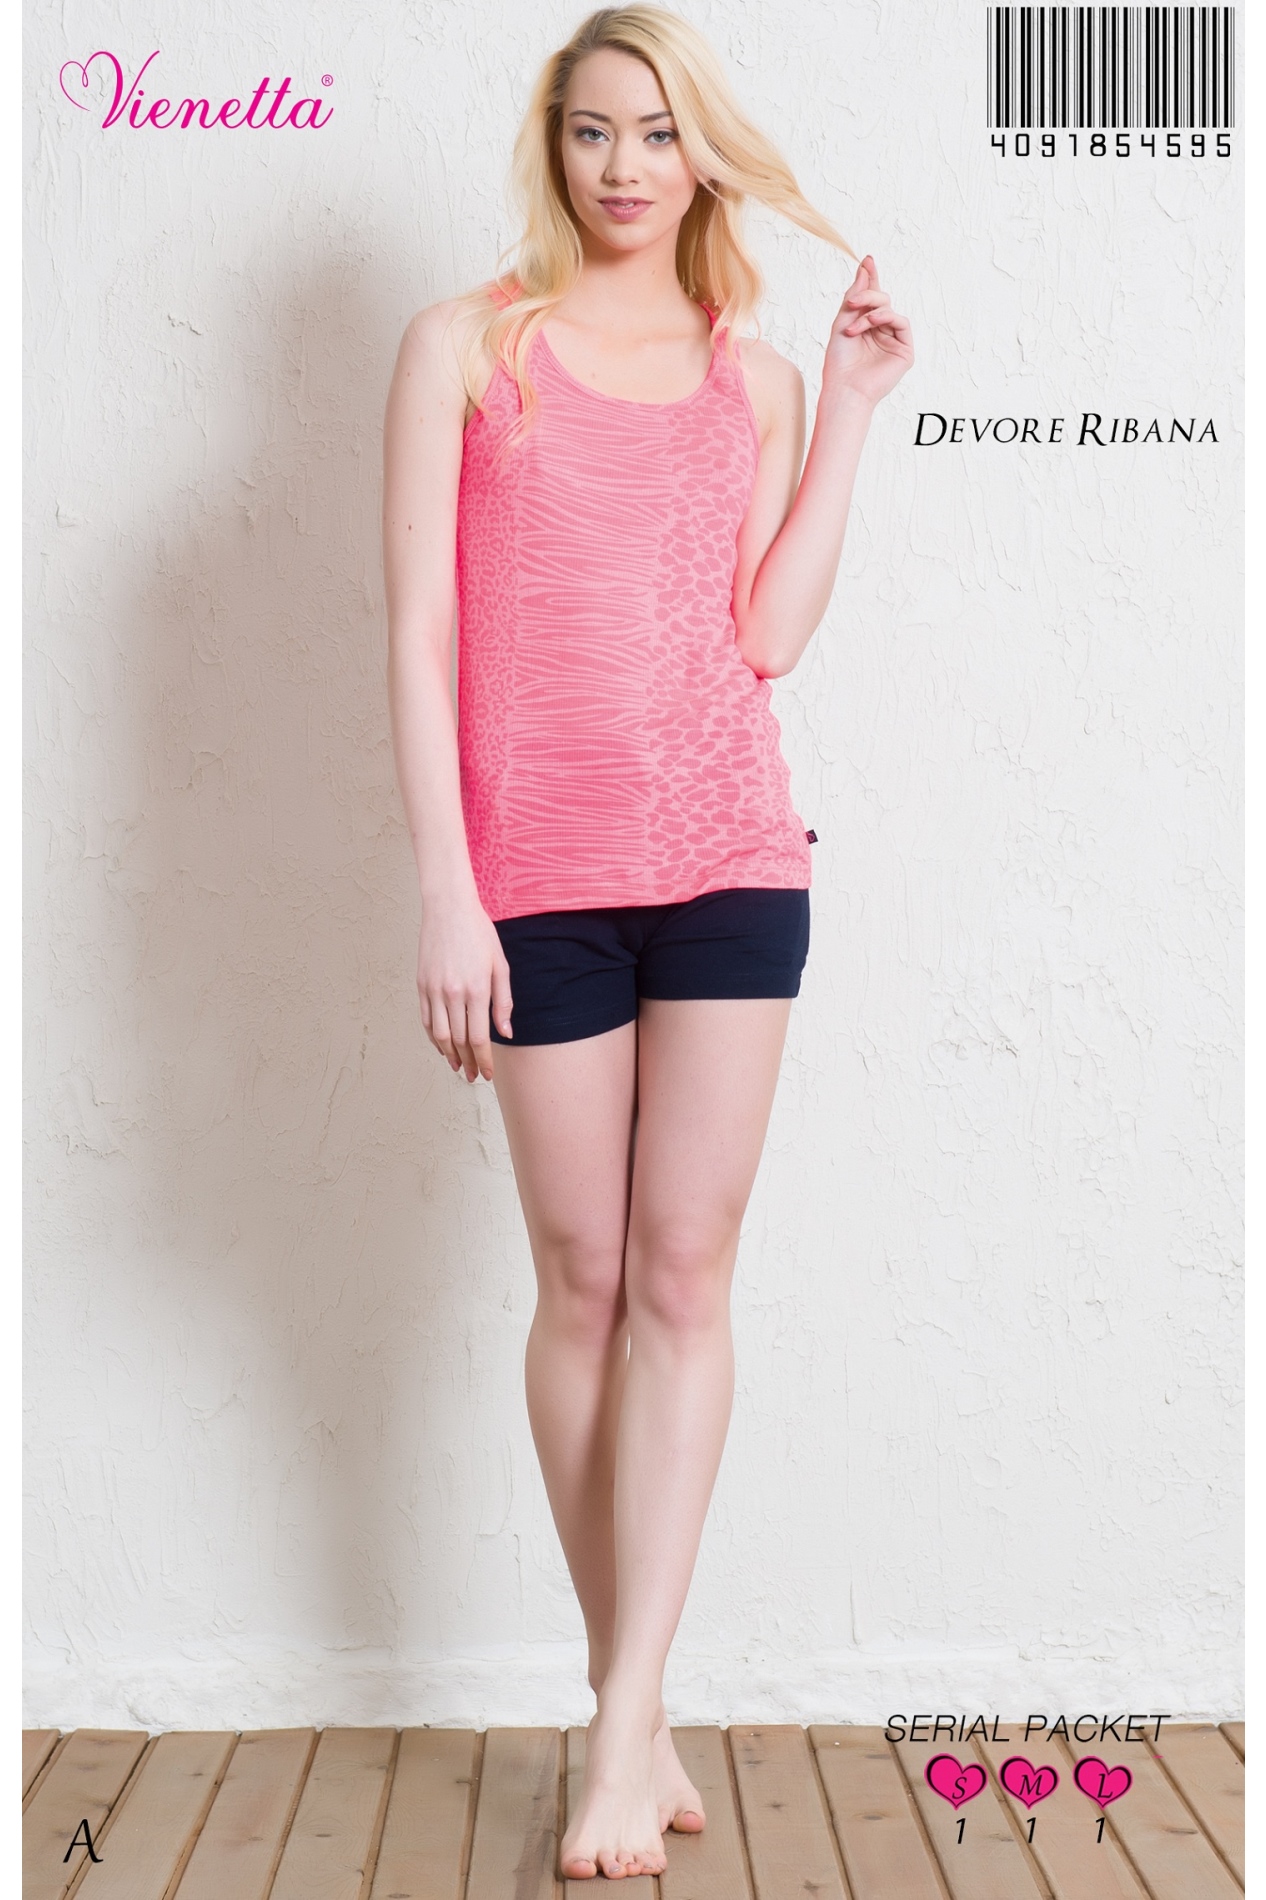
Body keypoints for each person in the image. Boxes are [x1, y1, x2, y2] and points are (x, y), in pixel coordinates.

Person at [383, 5, 913, 1879]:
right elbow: (419, 636)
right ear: (556, 144)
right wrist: (445, 889)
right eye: (594, 129)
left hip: (729, 859)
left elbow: (764, 638)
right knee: (583, 1276)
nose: (624, 165)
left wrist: (848, 410)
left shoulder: (747, 381)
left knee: (687, 1272)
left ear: (701, 155)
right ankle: (634, 1703)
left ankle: (620, 1721)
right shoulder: (466, 348)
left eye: (658, 132)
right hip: (532, 878)